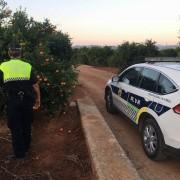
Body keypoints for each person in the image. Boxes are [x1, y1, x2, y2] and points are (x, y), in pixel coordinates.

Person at [0, 43, 40, 159]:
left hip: (12, 101)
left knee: (15, 127)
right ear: (21, 53)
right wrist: (38, 100)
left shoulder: (2, 66)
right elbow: (35, 85)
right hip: (27, 100)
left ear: (9, 53)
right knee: (26, 124)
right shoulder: (28, 66)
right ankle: (27, 148)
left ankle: (20, 154)